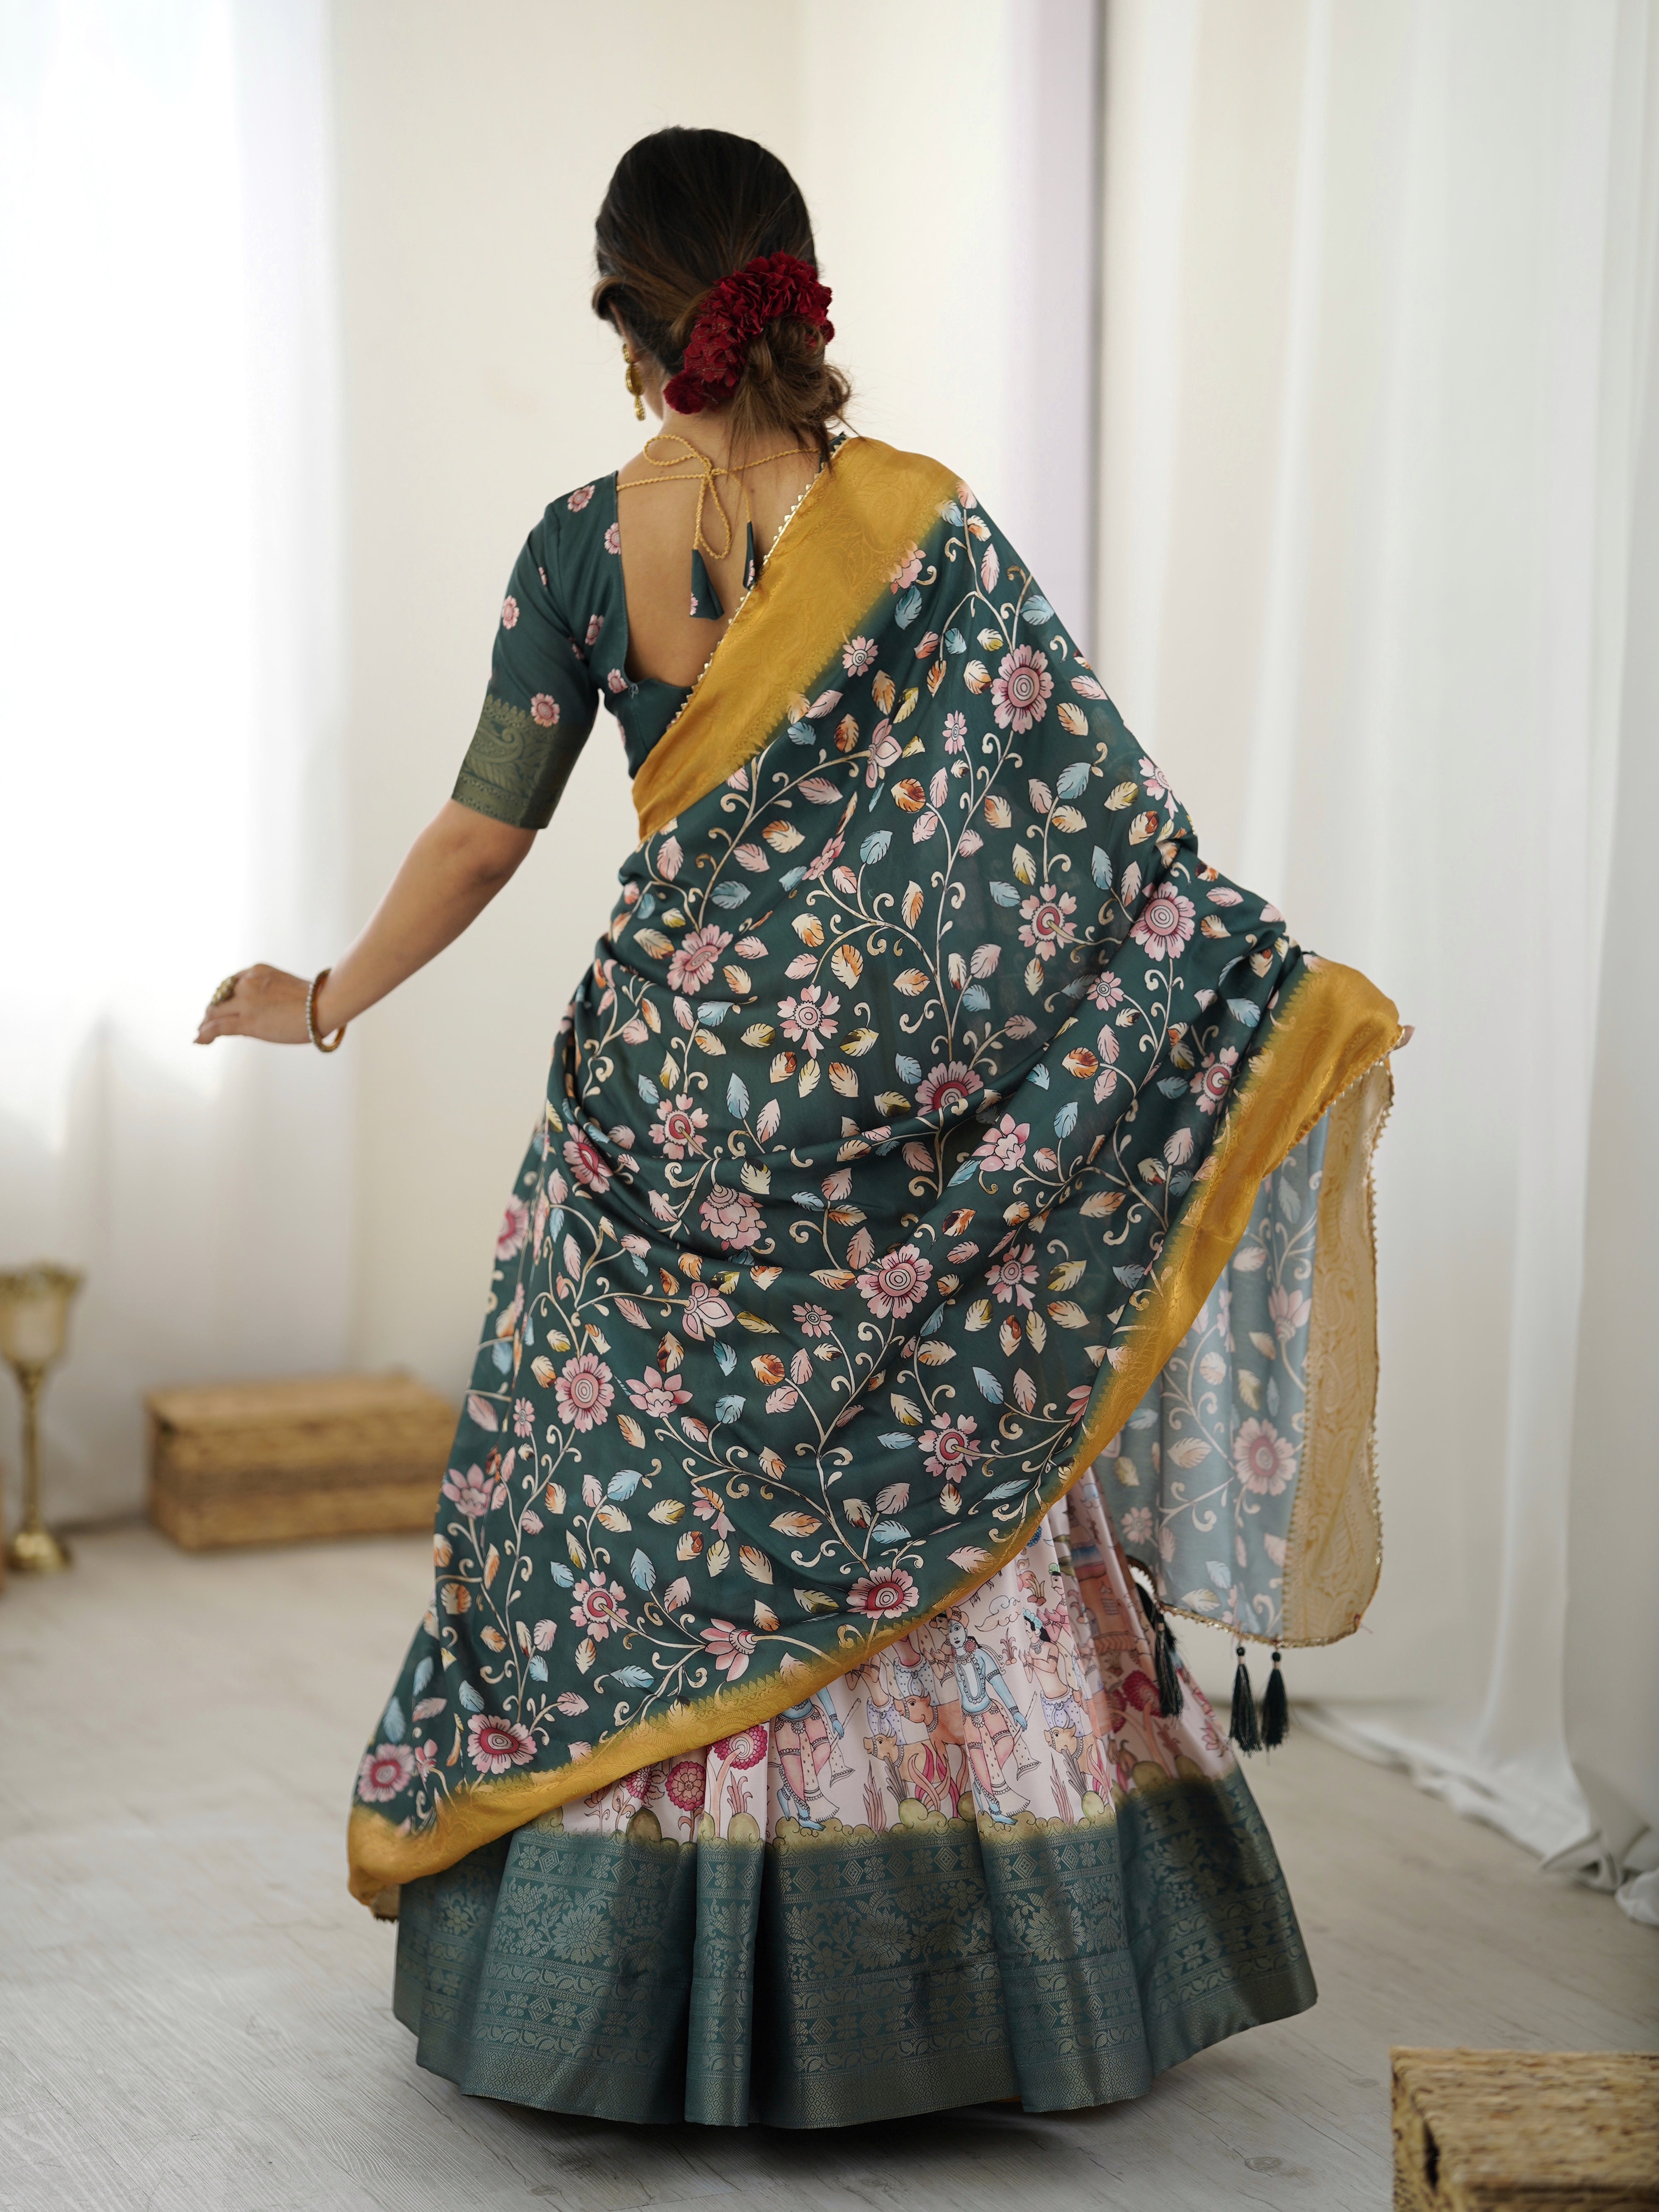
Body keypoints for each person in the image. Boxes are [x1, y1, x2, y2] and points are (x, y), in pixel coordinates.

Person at [198, 127, 1402, 2129]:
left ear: (626, 321)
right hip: (904, 1145)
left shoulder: (578, 548)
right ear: (796, 290)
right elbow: (1094, 833)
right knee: (950, 1467)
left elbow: (484, 835)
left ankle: (614, 1997)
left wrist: (322, 998)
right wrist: (1255, 997)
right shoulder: (925, 529)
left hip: (670, 1120)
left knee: (622, 1526)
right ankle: (994, 1983)